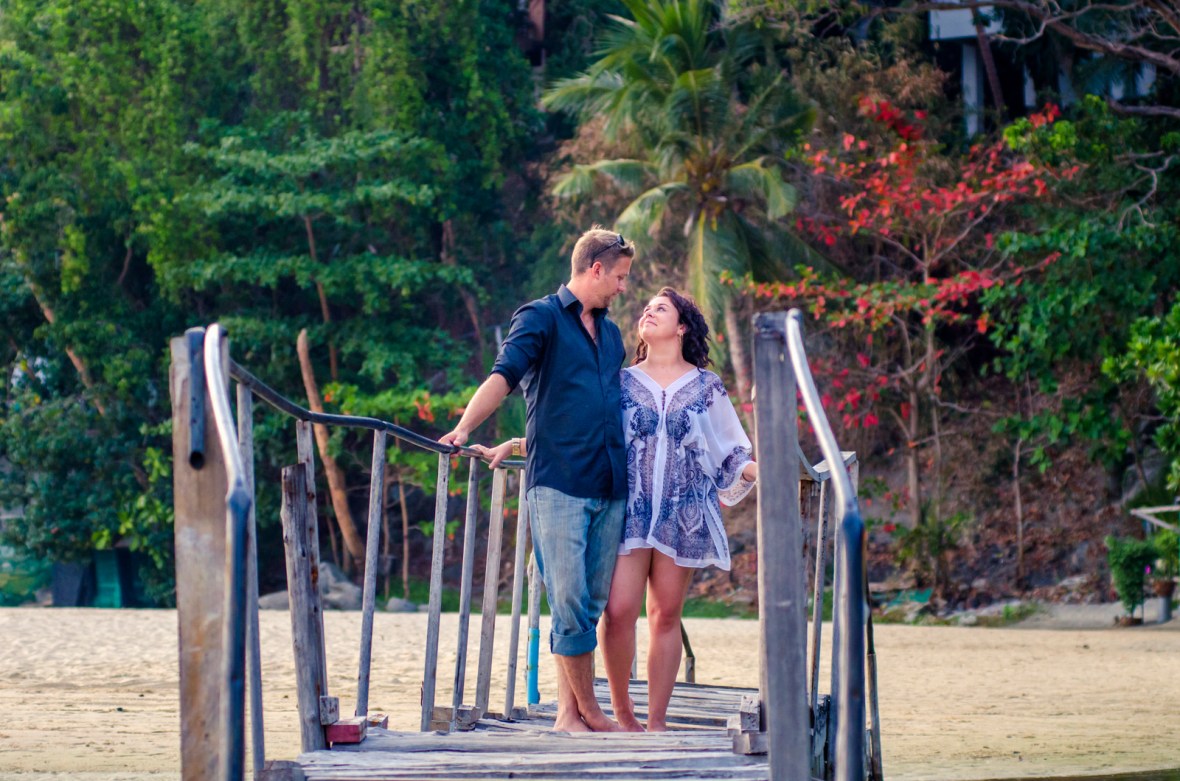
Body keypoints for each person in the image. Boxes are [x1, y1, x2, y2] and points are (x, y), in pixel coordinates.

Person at [440, 226, 635, 733]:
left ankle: (567, 716)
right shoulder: (541, 317)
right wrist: (464, 428)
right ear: (594, 269)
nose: (622, 287)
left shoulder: (611, 334)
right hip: (559, 483)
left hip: (611, 484)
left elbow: (600, 410)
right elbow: (503, 378)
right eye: (618, 277)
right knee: (568, 596)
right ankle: (591, 712)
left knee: (588, 604)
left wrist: (516, 445)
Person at [600, 287, 757, 732]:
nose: (648, 312)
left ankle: (657, 723)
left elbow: (729, 450)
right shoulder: (623, 381)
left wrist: (760, 470)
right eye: (646, 307)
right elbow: (588, 433)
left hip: (684, 513)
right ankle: (623, 715)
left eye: (660, 309)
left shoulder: (706, 387)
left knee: (665, 614)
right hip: (629, 511)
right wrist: (519, 444)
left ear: (681, 326)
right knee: (619, 611)